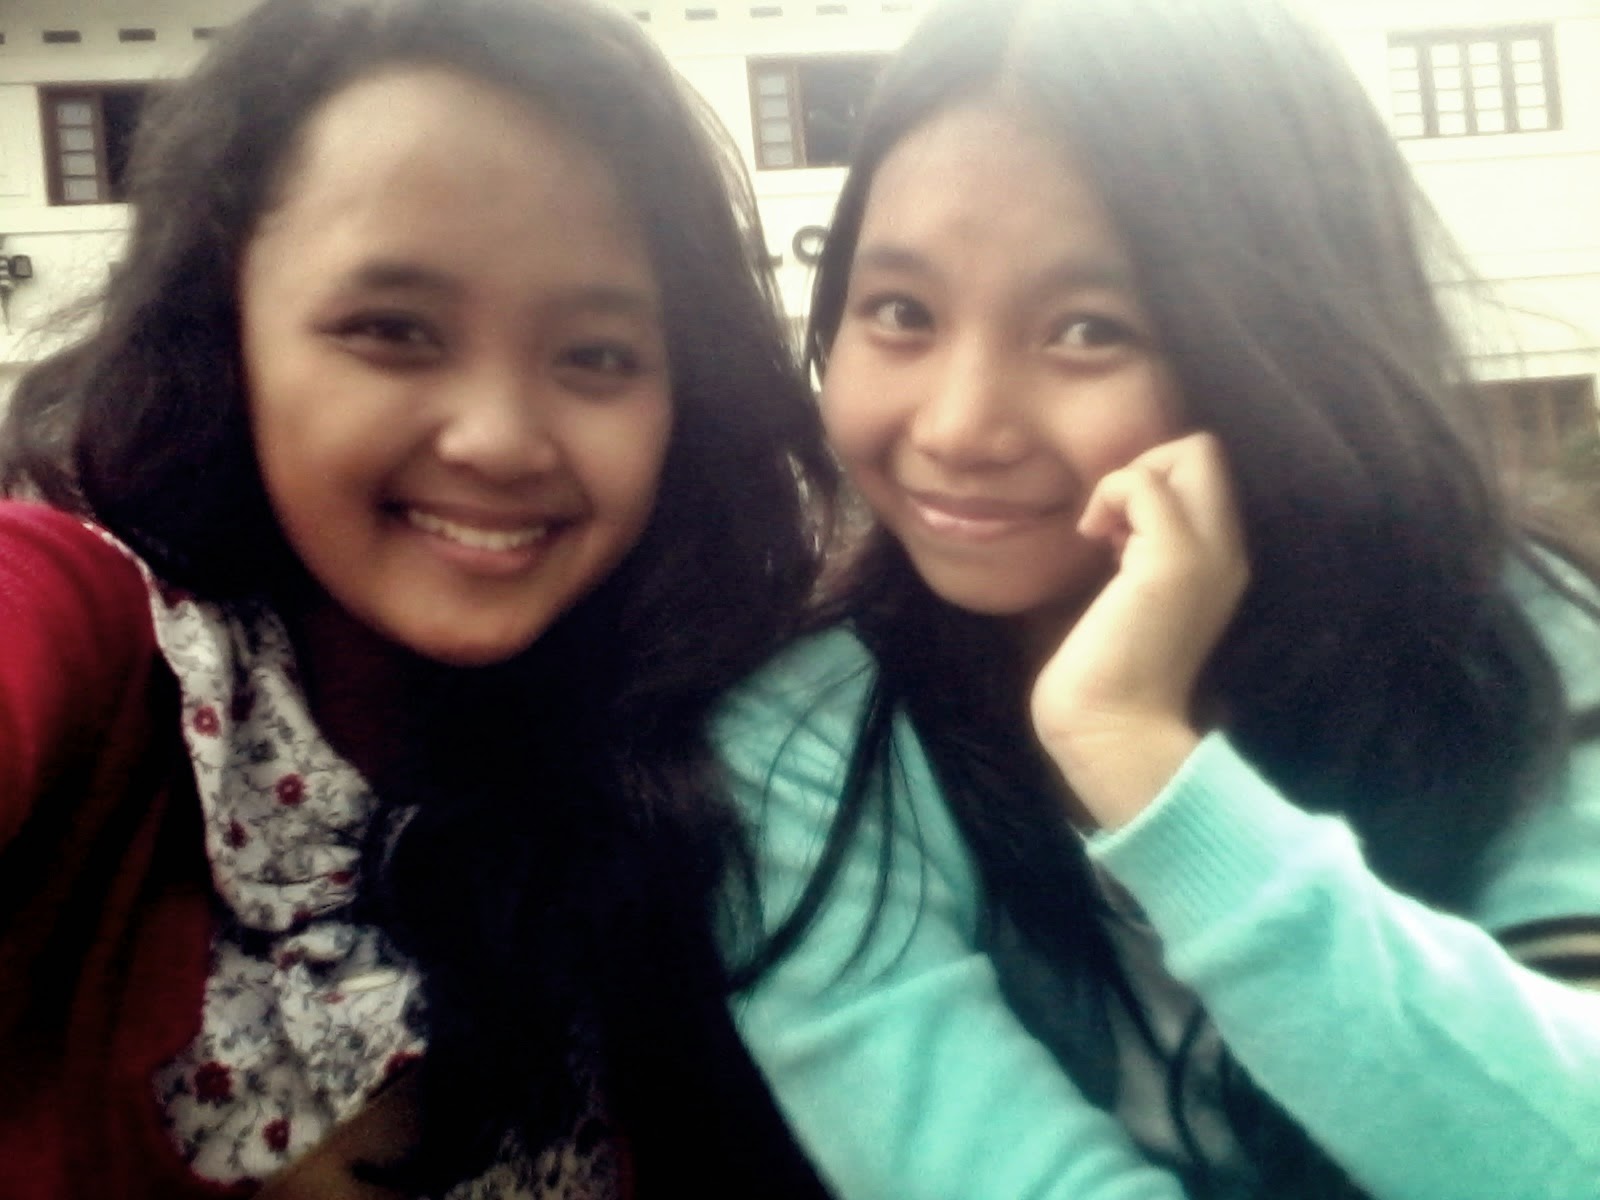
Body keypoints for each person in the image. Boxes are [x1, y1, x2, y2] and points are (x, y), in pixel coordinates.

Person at [712, 1, 1600, 1198]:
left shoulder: (1513, 645)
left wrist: (1142, 763)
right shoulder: (808, 743)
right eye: (901, 312)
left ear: (1283, 350)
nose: (959, 426)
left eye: (1089, 329)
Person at [0, 0, 836, 1196]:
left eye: (597, 355)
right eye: (392, 329)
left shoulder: (717, 735)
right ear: (229, 329)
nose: (498, 439)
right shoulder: (95, 632)